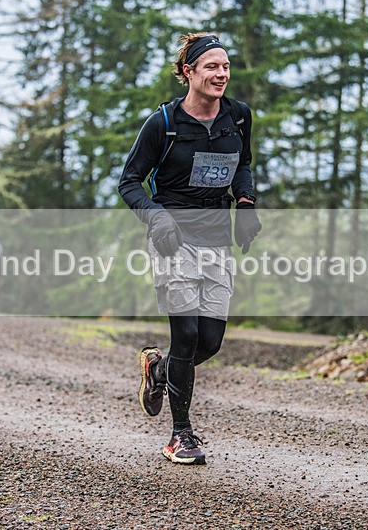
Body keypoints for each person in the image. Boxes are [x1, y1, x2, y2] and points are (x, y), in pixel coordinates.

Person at [118, 33, 262, 464]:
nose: (221, 74)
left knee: (210, 341)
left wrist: (246, 203)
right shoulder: (162, 124)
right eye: (211, 67)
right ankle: (181, 435)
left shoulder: (238, 117)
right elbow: (130, 182)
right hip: (173, 239)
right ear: (188, 73)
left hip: (217, 238)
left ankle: (159, 369)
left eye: (225, 67)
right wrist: (156, 216)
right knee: (185, 334)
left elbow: (244, 165)